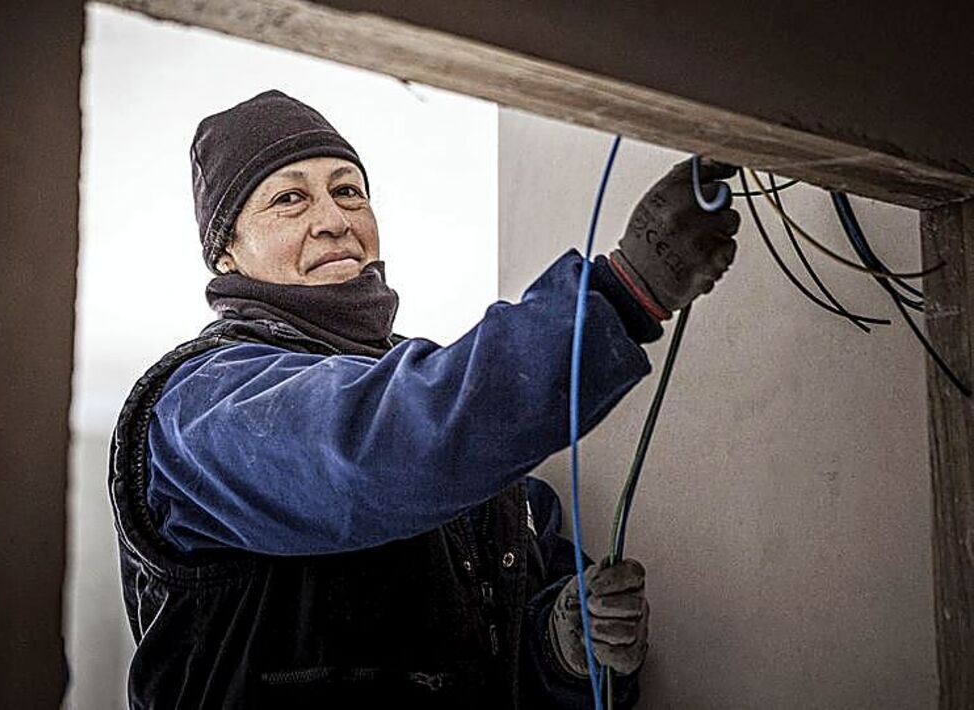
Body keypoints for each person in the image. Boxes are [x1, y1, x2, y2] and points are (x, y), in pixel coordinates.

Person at [109, 89, 739, 709]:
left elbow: (502, 648)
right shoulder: (202, 405)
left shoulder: (433, 396)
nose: (333, 219)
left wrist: (564, 647)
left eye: (348, 190)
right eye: (290, 198)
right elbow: (370, 455)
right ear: (225, 252)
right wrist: (625, 291)